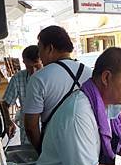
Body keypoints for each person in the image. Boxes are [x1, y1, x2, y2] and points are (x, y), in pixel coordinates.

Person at [23, 25, 93, 153]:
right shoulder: (90, 74)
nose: (40, 55)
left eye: (40, 49)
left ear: (49, 48)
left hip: (55, 148)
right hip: (88, 145)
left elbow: (30, 126)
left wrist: (42, 152)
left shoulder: (39, 78)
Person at [2, 45, 42, 144]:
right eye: (29, 67)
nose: (33, 71)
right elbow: (5, 104)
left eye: (36, 65)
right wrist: (8, 122)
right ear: (24, 62)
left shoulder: (51, 77)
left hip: (49, 131)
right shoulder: (18, 78)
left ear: (42, 60)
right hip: (28, 133)